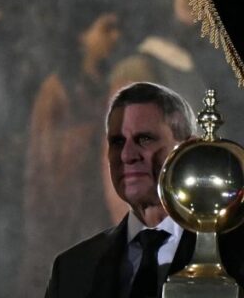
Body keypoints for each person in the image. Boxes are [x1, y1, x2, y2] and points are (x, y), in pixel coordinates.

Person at [44, 82, 244, 297]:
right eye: (118, 142)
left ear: (187, 150)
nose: (127, 155)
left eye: (144, 139)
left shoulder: (237, 255)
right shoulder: (73, 269)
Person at [20, 10, 122, 293]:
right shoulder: (56, 88)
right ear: (82, 36)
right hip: (64, 206)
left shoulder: (110, 82)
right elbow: (43, 152)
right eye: (106, 29)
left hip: (100, 200)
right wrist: (91, 137)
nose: (115, 37)